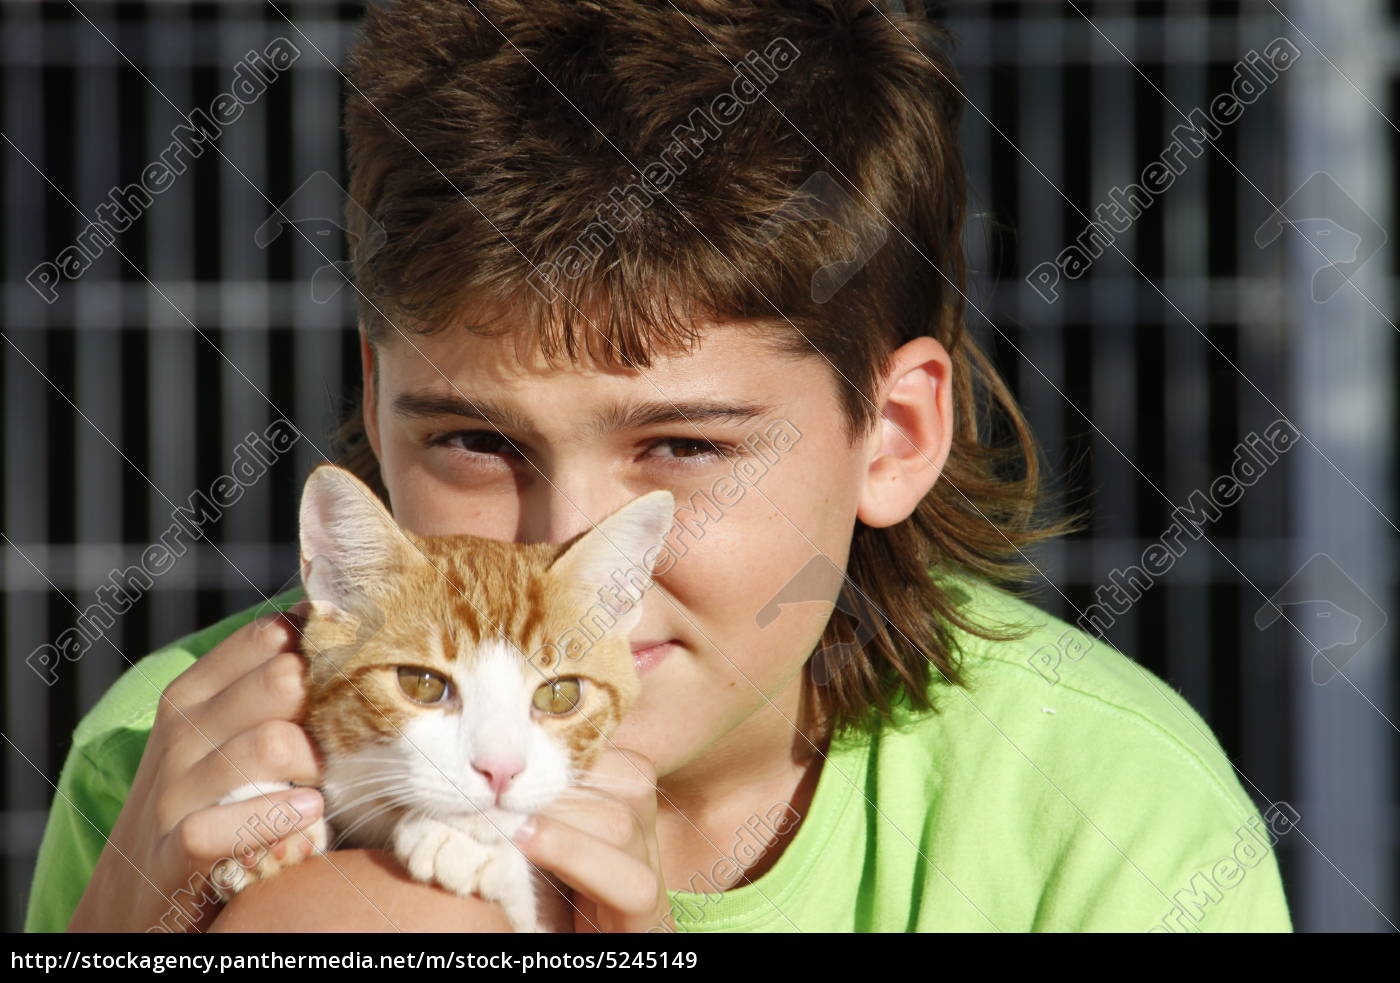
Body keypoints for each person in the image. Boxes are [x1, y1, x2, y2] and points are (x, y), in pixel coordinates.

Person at [28, 0, 1292, 933]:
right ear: (376, 406)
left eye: (682, 446)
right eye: (476, 439)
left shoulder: (1099, 806)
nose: (565, 538)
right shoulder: (176, 754)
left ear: (893, 434)